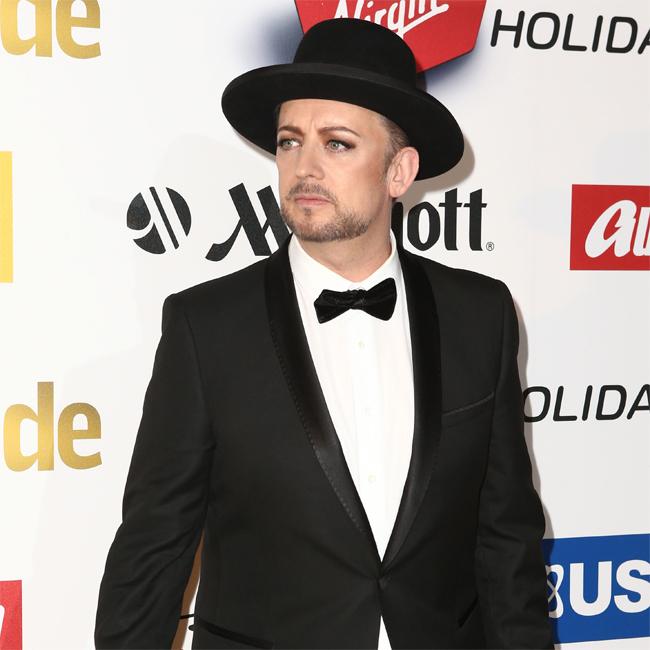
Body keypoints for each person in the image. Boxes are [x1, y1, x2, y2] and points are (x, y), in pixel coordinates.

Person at [95, 18, 554, 650]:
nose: (304, 167)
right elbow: (152, 553)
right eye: (290, 141)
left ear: (400, 171)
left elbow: (507, 542)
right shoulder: (206, 327)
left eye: (337, 144)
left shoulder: (480, 315)